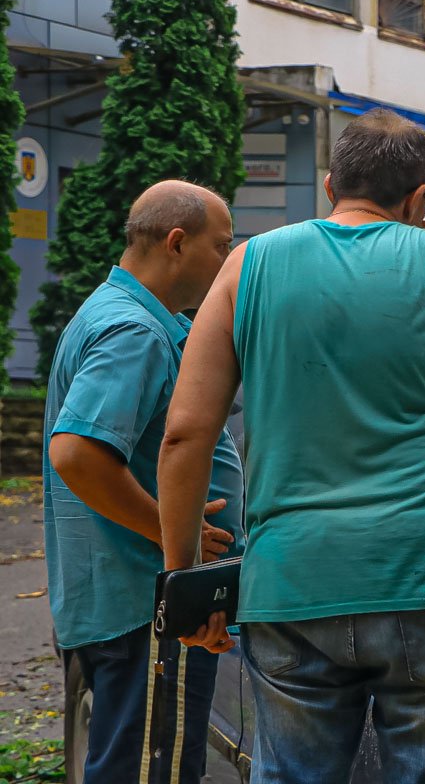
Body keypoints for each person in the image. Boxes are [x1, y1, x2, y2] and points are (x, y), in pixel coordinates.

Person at [156, 108, 425, 784]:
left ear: (333, 183)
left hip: (293, 587)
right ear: (422, 199)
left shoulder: (248, 265)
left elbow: (185, 432)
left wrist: (185, 578)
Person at [44, 180, 243, 783]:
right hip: (143, 609)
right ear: (177, 243)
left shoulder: (115, 313)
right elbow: (76, 453)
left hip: (128, 603)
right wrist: (171, 536)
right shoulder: (136, 331)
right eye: (221, 246)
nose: (226, 263)